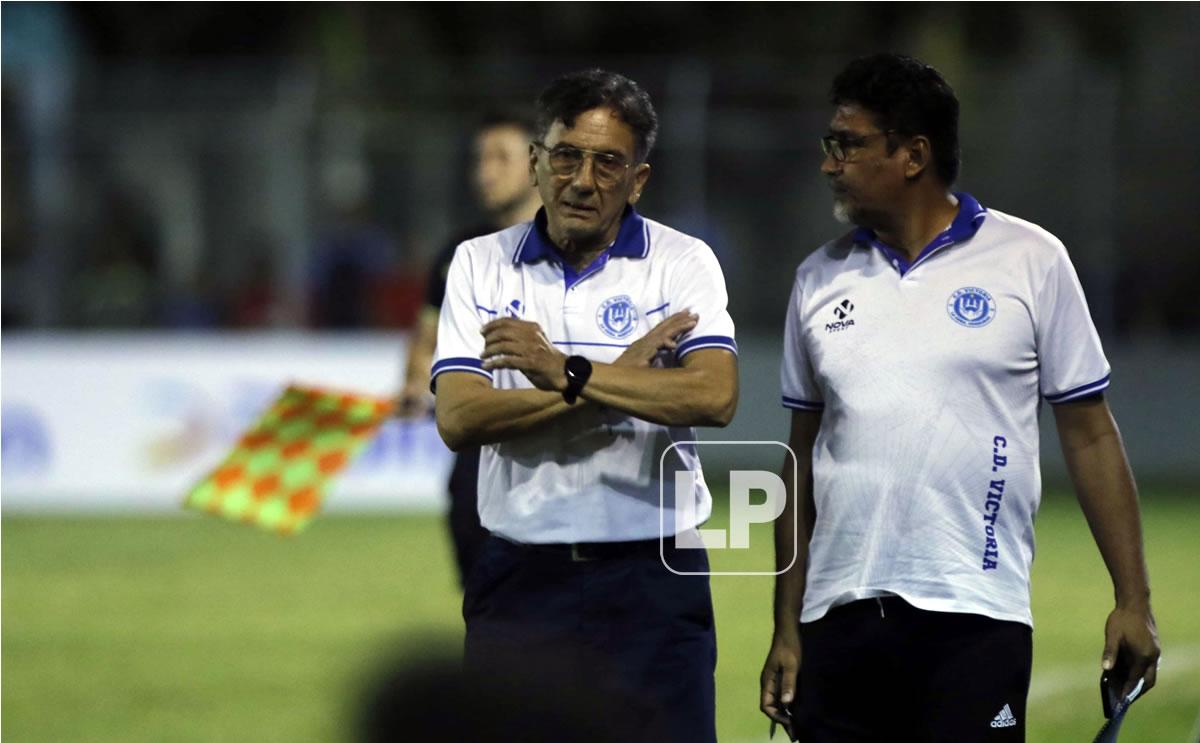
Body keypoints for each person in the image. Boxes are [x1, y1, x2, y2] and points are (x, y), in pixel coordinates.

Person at [759, 53, 1159, 742]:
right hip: (838, 619)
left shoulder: (1030, 259)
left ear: (913, 155)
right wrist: (786, 625)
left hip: (975, 616)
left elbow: (1091, 433)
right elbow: (800, 462)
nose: (829, 163)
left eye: (847, 144)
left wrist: (1134, 599)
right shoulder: (817, 278)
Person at [431, 69, 738, 743]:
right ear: (536, 162)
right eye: (566, 156)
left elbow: (713, 395)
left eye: (608, 162)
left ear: (638, 179)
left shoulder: (682, 262)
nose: (582, 180)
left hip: (655, 576)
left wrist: (563, 370)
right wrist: (612, 379)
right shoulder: (479, 264)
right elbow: (458, 418)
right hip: (521, 577)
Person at [397, 109, 543, 587]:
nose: (485, 172)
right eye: (480, 159)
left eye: (501, 158)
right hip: (478, 451)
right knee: (481, 591)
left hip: (551, 443)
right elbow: (426, 337)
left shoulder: (575, 246)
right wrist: (415, 383)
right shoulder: (460, 252)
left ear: (538, 163)